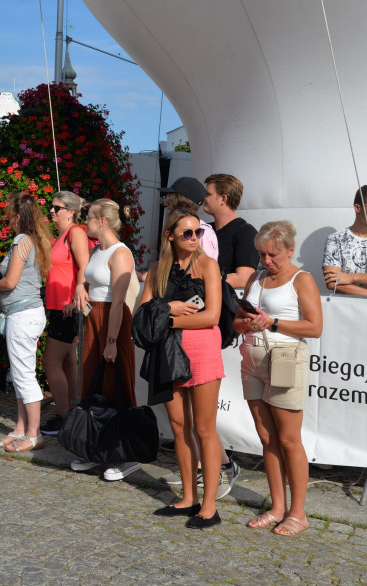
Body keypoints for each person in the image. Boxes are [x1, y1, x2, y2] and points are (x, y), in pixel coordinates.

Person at [234, 221, 322, 537]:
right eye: (262, 254)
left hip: (285, 359)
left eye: (273, 254)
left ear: (289, 250)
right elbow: (237, 322)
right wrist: (247, 322)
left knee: (288, 439)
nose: (266, 260)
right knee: (267, 437)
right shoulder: (256, 278)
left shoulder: (302, 279)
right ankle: (277, 507)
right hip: (253, 358)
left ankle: (298, 512)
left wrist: (272, 323)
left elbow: (314, 327)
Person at [138, 208, 225, 528]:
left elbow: (212, 316)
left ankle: (210, 505)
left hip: (202, 352)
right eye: (186, 233)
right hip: (167, 353)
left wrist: (169, 319)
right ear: (169, 236)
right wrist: (168, 307)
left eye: (198, 232)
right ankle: (189, 497)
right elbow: (141, 313)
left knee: (204, 428)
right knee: (178, 427)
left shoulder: (207, 265)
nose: (193, 238)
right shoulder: (158, 269)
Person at [71, 198, 139, 482]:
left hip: (113, 321)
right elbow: (91, 278)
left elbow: (119, 300)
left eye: (88, 217)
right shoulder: (99, 249)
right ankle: (97, 449)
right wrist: (80, 287)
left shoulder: (120, 253)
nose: (84, 222)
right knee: (92, 383)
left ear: (102, 221)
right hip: (94, 319)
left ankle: (125, 455)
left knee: (115, 385)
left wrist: (111, 341)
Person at [0, 195, 52, 451]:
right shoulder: (35, 240)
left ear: (16, 216)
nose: (6, 218)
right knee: (19, 374)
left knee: (24, 376)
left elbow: (11, 281)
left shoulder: (21, 240)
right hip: (27, 313)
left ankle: (34, 434)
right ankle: (20, 428)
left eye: (8, 214)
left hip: (22, 314)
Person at [38, 191, 90, 437]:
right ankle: (71, 411)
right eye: (52, 206)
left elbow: (84, 267)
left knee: (51, 362)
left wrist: (74, 298)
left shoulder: (75, 232)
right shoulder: (62, 236)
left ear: (70, 211)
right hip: (58, 306)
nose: (51, 211)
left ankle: (63, 416)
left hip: (66, 307)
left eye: (56, 208)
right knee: (69, 360)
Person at [202, 174, 258, 289]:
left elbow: (244, 278)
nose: (204, 198)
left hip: (225, 304)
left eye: (208, 194)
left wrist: (200, 282)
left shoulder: (245, 232)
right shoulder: (205, 229)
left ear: (223, 199)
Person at [160, 177, 219, 260]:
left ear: (183, 205)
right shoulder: (175, 228)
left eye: (170, 201)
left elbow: (206, 269)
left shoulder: (202, 233)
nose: (166, 203)